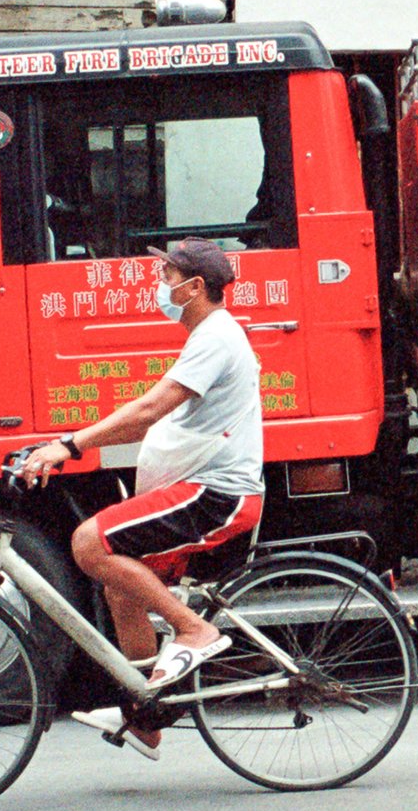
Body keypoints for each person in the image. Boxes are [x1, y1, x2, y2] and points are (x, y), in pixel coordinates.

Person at [18, 236, 264, 760]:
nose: (161, 285)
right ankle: (145, 714)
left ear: (196, 287)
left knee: (90, 544)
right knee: (120, 587)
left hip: (216, 494)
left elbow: (148, 410)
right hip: (200, 488)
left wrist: (68, 445)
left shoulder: (217, 337)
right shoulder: (207, 335)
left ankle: (194, 631)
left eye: (169, 277)